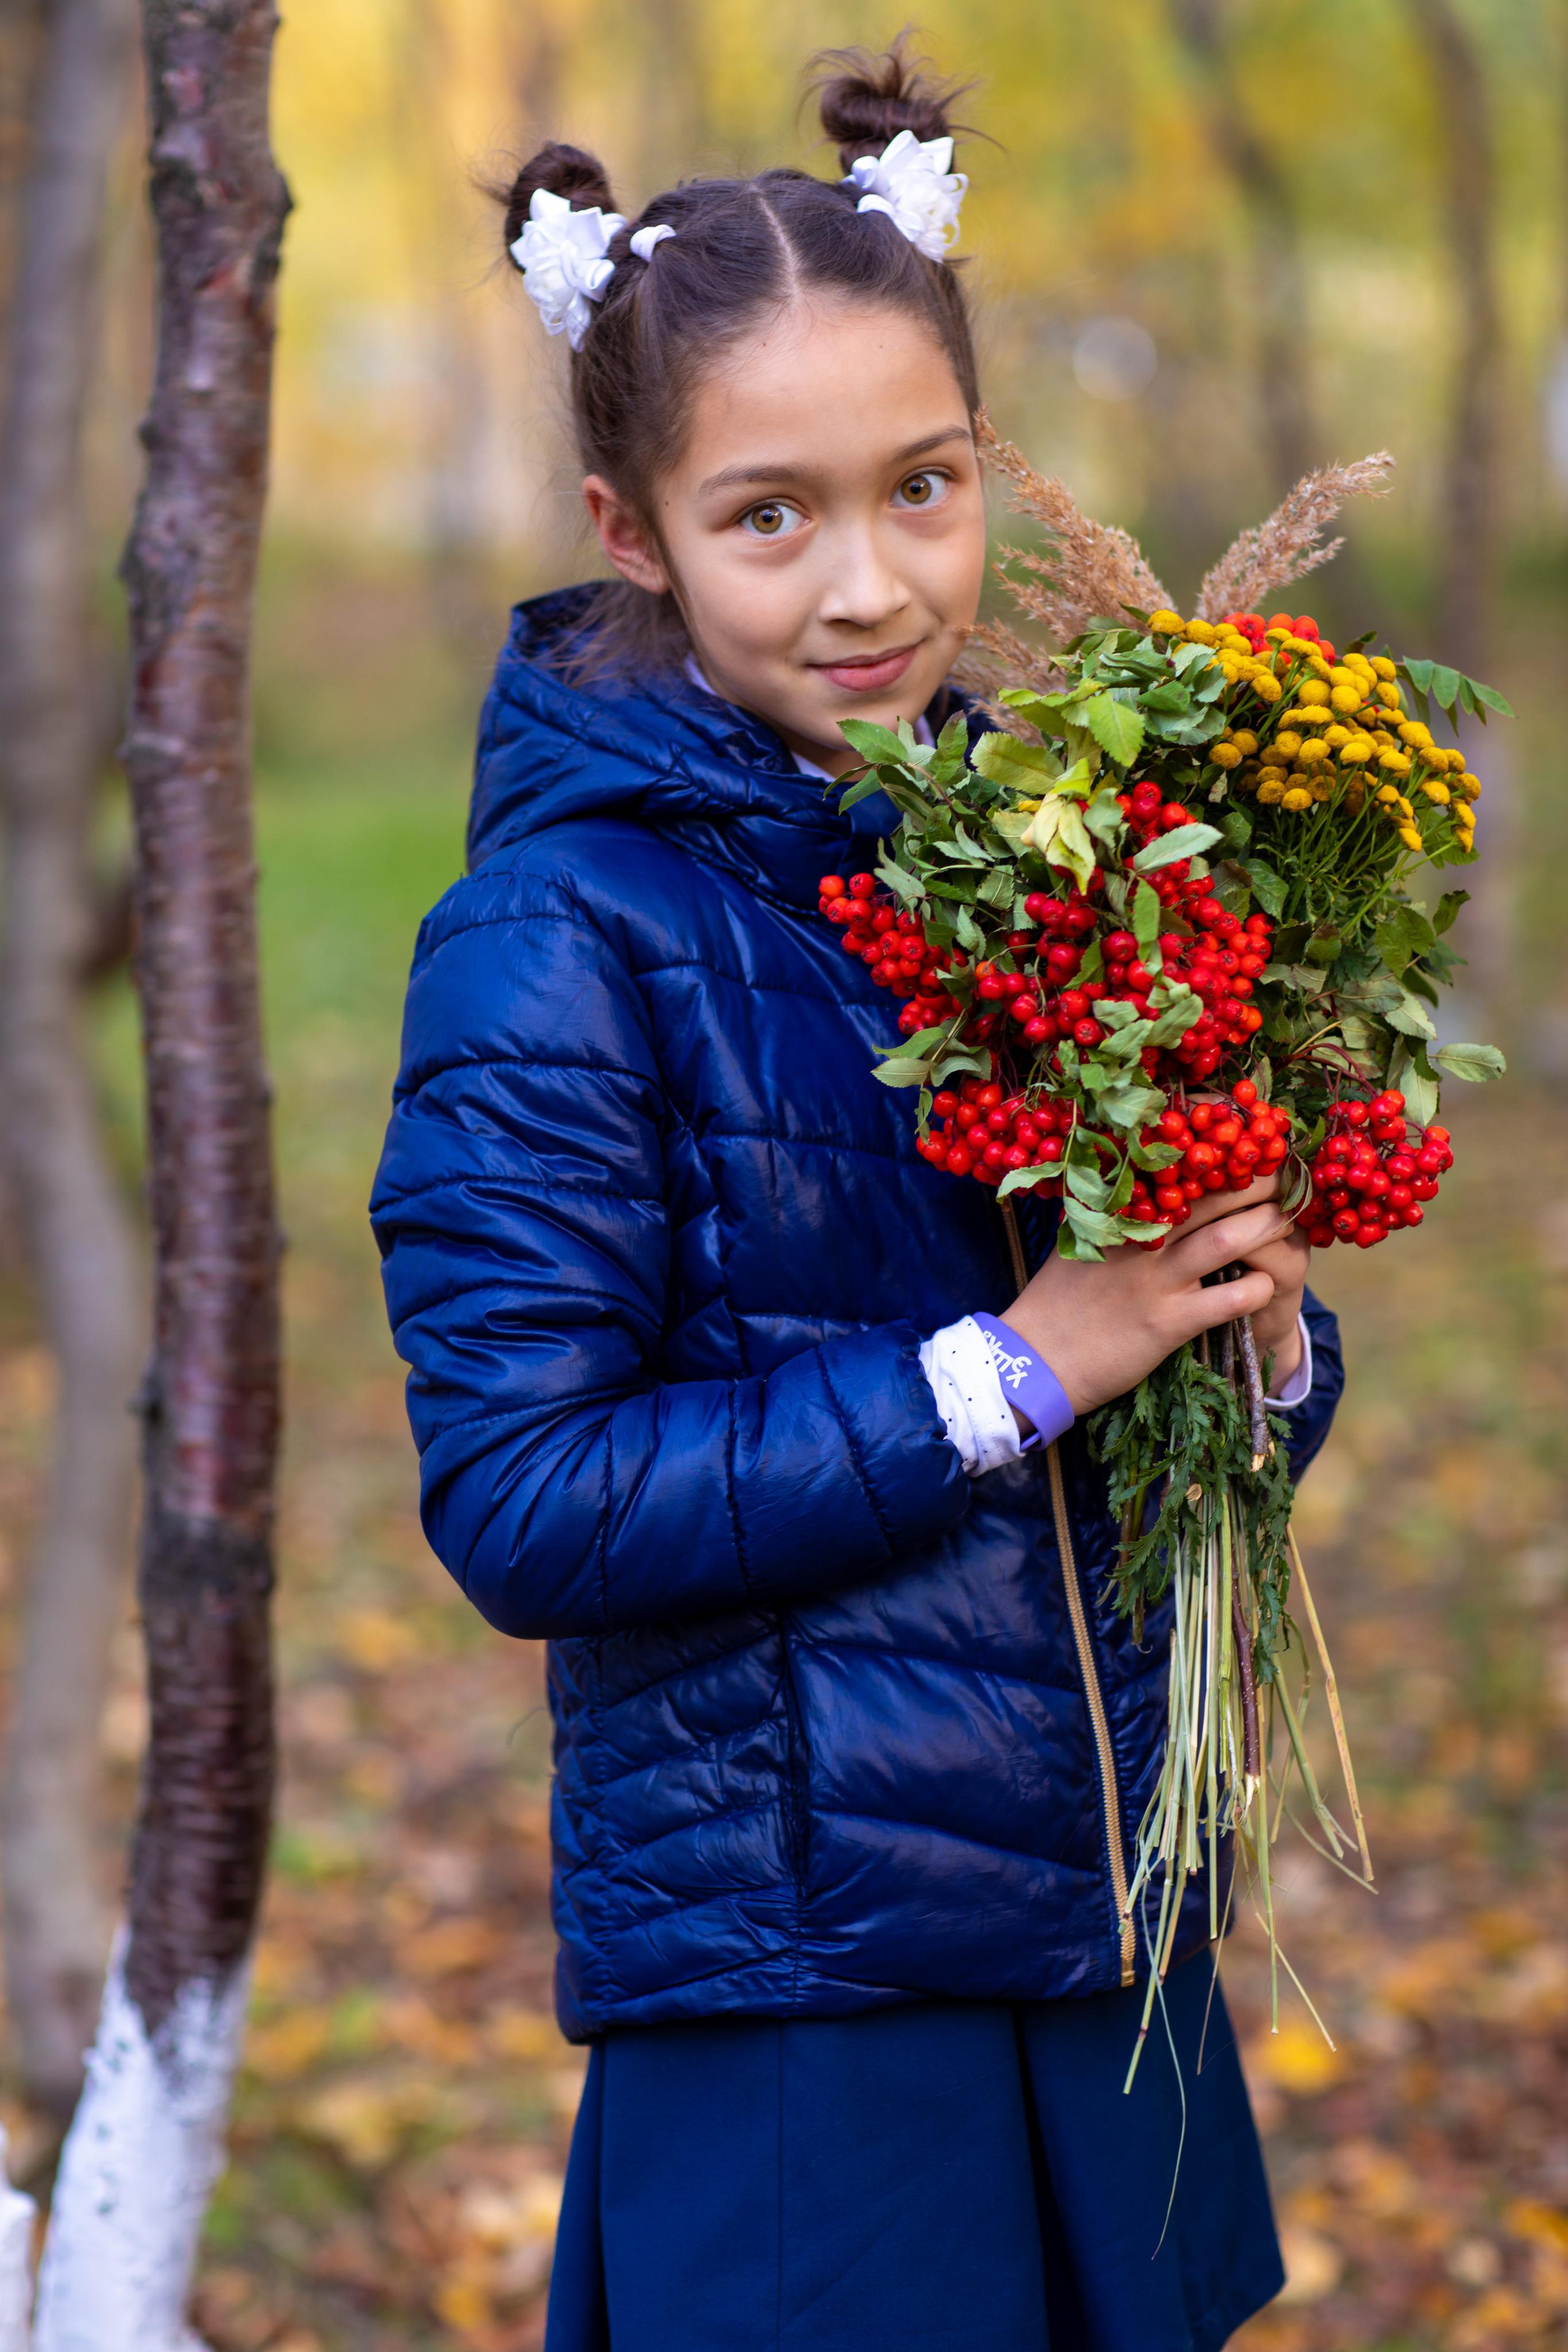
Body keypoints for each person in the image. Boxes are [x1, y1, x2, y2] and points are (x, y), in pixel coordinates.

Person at [371, 40, 1343, 2352]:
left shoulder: (1048, 862)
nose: (873, 584)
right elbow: (523, 1501)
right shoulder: (556, 939)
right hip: (810, 2001)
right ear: (631, 532)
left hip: (1102, 1948)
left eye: (923, 487)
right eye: (770, 517)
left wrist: (1249, 1342)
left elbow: (1126, 1409)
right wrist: (1017, 1369)